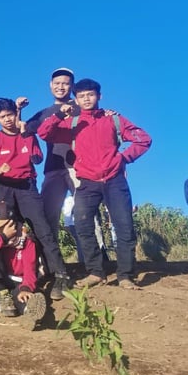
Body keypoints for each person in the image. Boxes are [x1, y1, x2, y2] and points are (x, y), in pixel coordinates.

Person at [38, 78, 152, 290]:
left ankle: (125, 275)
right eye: (81, 96)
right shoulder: (73, 123)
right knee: (82, 225)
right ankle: (95, 273)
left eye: (90, 95)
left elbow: (143, 139)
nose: (86, 99)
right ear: (76, 99)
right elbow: (44, 132)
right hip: (87, 182)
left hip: (114, 180)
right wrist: (60, 114)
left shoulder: (113, 119)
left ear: (99, 96)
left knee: (124, 226)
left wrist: (124, 158)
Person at [0, 97, 72, 301]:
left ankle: (59, 274)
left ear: (15, 113)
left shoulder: (27, 135)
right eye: (2, 117)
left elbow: (38, 157)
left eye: (10, 115)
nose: (7, 120)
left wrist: (30, 148)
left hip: (26, 187)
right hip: (3, 188)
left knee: (42, 229)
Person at [23, 67, 78, 242]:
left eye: (65, 84)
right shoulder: (43, 113)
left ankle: (95, 260)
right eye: (57, 83)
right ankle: (52, 263)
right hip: (53, 169)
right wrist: (18, 109)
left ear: (72, 86)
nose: (61, 87)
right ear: (50, 85)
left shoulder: (81, 107)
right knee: (48, 214)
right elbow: (22, 130)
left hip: (79, 167)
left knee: (86, 213)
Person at [0, 200, 47, 329]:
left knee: (22, 296)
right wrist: (3, 237)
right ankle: (2, 295)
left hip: (19, 281)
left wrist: (26, 288)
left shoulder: (26, 240)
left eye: (0, 224)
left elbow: (29, 269)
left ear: (11, 222)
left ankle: (30, 312)